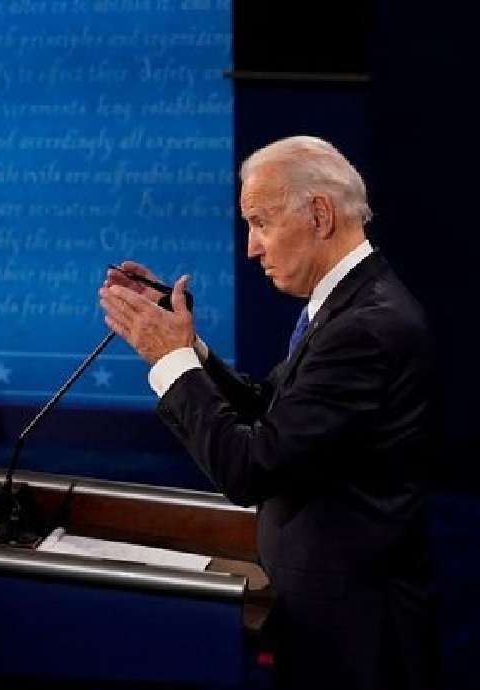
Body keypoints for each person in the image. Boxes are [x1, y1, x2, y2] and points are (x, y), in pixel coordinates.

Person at [98, 136, 435, 690]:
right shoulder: (349, 304)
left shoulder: (365, 327)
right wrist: (189, 348)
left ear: (320, 214)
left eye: (261, 222)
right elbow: (272, 413)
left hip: (357, 636)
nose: (252, 248)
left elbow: (251, 466)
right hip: (329, 616)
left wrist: (170, 359)